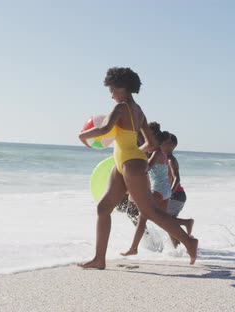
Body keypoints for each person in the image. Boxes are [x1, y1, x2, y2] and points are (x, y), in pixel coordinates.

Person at [78, 67, 198, 269]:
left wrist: (83, 136)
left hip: (130, 164)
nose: (111, 93)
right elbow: (151, 143)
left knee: (149, 211)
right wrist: (132, 150)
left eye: (112, 88)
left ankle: (188, 241)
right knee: (104, 207)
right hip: (125, 162)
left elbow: (105, 129)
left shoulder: (121, 108)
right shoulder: (139, 111)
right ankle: (99, 259)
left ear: (123, 88)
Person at [120, 122, 174, 256]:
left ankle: (133, 248)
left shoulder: (156, 153)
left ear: (154, 140)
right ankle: (180, 242)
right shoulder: (162, 153)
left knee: (142, 218)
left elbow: (145, 170)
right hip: (164, 190)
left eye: (148, 140)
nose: (146, 143)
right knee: (164, 221)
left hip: (158, 190)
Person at [163, 132, 194, 248]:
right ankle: (177, 248)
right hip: (176, 195)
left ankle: (187, 222)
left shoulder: (171, 159)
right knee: (169, 224)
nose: (160, 144)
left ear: (170, 145)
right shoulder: (165, 158)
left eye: (164, 143)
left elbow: (177, 177)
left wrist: (170, 193)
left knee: (165, 221)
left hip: (176, 195)